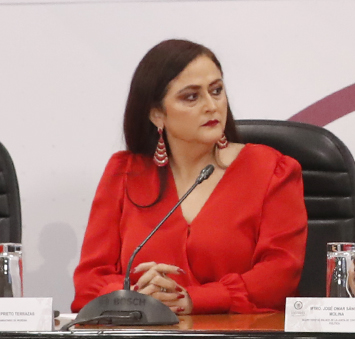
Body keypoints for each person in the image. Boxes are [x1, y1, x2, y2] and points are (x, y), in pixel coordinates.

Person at [73, 40, 307, 315]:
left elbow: (280, 275)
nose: (211, 106)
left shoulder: (272, 170)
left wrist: (194, 299)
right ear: (157, 114)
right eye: (191, 97)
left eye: (216, 91)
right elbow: (90, 280)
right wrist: (136, 298)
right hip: (144, 337)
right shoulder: (125, 173)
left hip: (238, 338)